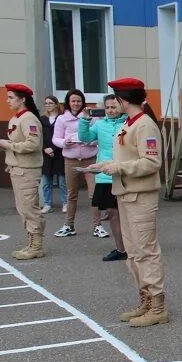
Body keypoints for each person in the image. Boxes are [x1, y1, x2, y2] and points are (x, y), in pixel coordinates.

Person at [84, 78, 169, 327]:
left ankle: (157, 305)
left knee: (146, 251)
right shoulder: (127, 125)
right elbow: (125, 157)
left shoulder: (144, 125)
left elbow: (152, 163)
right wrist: (103, 166)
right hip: (126, 193)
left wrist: (117, 167)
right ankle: (145, 298)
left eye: (115, 99)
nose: (113, 104)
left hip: (141, 195)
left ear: (123, 100)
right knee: (133, 253)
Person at [0, 84, 46, 260]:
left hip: (27, 171)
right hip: (18, 168)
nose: (7, 101)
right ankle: (31, 243)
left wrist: (8, 145)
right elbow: (17, 145)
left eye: (11, 97)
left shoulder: (28, 119)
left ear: (22, 99)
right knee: (23, 208)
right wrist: (3, 146)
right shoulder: (16, 118)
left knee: (30, 208)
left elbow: (33, 145)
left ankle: (36, 246)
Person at [76, 95, 129, 262]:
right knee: (112, 213)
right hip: (105, 176)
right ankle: (121, 249)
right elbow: (85, 138)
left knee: (128, 214)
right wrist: (85, 121)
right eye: (107, 107)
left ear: (121, 107)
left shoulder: (129, 123)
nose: (111, 110)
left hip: (125, 173)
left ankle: (134, 247)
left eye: (114, 107)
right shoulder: (99, 124)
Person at [51, 89, 99, 238]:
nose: (76, 103)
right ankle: (69, 225)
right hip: (70, 160)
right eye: (73, 101)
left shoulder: (90, 117)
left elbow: (98, 137)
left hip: (90, 160)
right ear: (68, 102)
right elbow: (55, 139)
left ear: (82, 102)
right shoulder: (61, 119)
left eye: (79, 100)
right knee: (71, 195)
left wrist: (91, 141)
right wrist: (65, 142)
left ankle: (98, 226)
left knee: (94, 194)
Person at [40, 95, 66, 213]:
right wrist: (45, 148)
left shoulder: (62, 118)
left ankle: (65, 203)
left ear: (56, 104)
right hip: (46, 154)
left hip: (59, 153)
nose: (48, 105)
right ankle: (47, 204)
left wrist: (53, 148)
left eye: (50, 103)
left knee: (62, 182)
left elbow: (64, 136)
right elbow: (40, 137)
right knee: (46, 182)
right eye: (46, 103)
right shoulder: (42, 119)